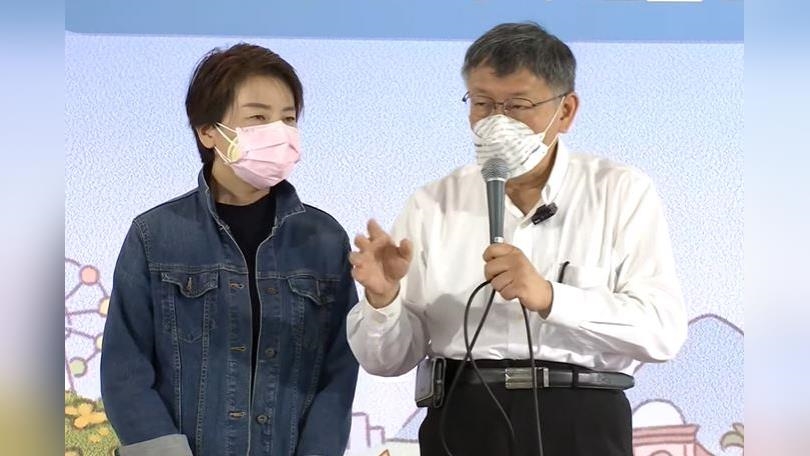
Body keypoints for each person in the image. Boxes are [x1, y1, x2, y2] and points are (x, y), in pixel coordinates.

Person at [346, 22, 687, 456]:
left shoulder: (619, 191)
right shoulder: (433, 203)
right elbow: (386, 360)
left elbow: (661, 331)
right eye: (482, 104)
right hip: (462, 420)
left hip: (581, 421)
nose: (496, 122)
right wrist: (383, 299)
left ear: (566, 111)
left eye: (517, 105)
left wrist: (550, 296)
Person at [100, 43, 359, 456]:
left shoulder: (325, 239)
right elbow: (124, 371)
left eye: (288, 118)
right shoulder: (155, 235)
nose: (279, 132)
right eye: (258, 117)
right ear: (208, 131)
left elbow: (340, 371)